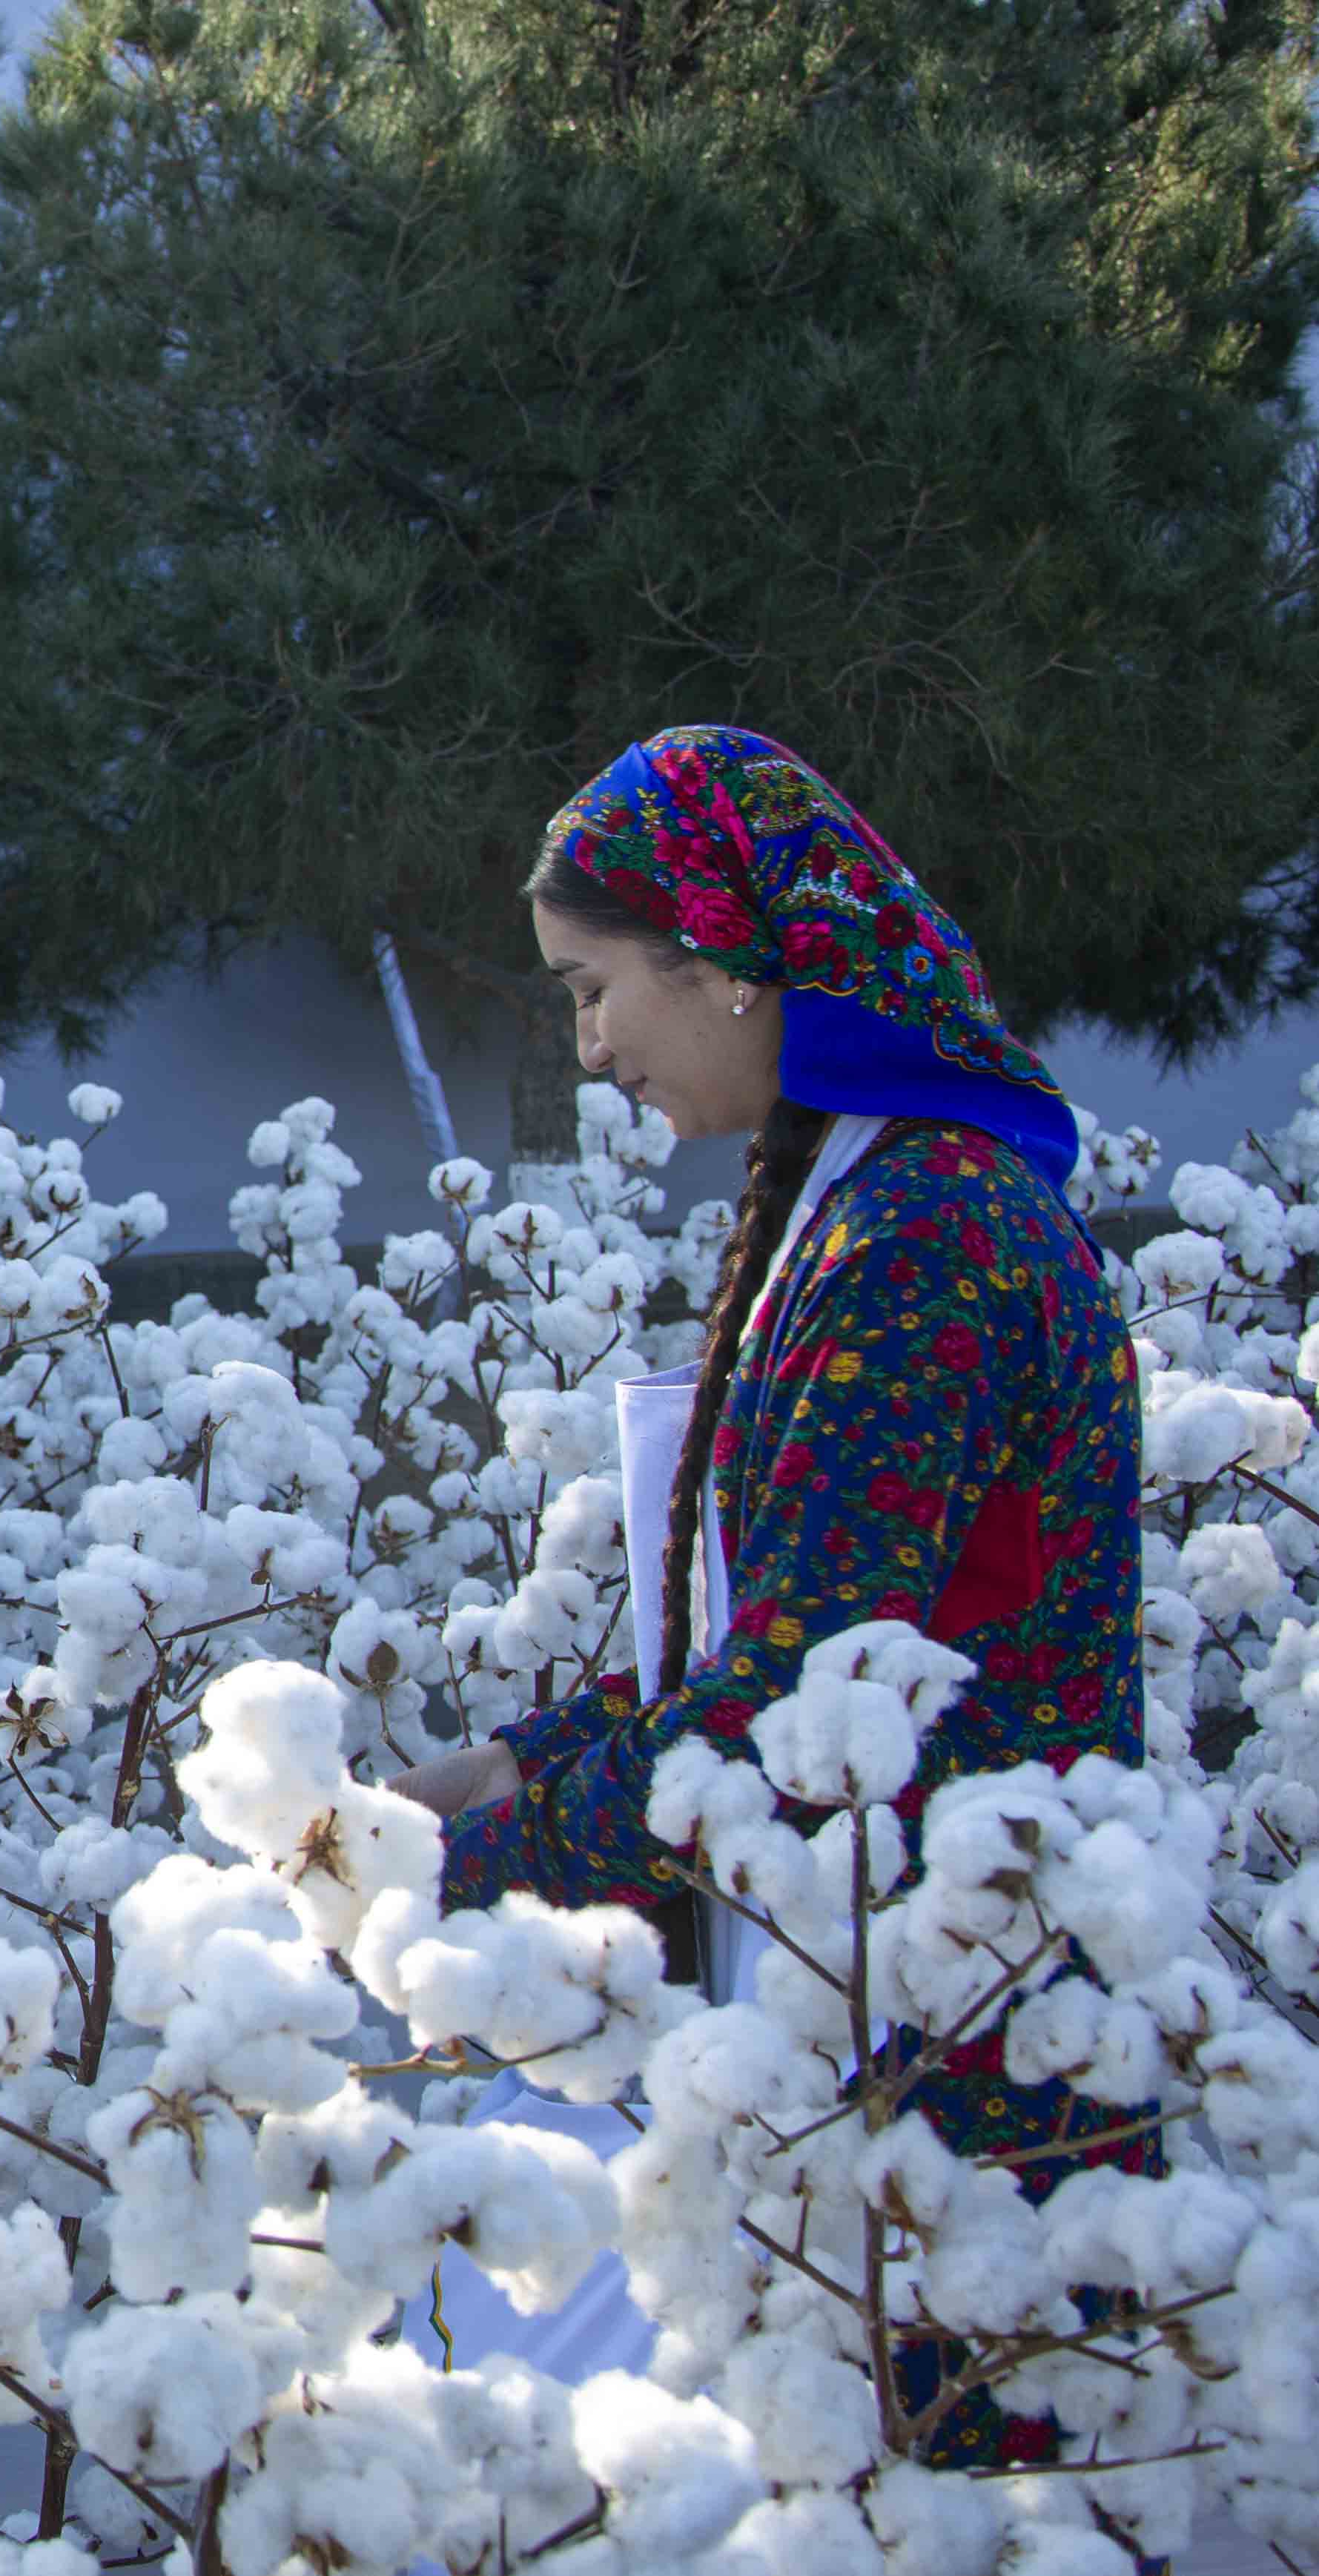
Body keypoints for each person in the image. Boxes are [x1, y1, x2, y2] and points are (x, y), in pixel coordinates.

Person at [394, 724, 1151, 2466]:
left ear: (726, 962)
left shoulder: (924, 1241)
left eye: (593, 993)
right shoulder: (873, 1205)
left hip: (948, 2067)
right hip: (915, 2003)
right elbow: (786, 1648)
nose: (589, 1049)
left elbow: (789, 1720)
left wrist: (462, 1872)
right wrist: (518, 1762)